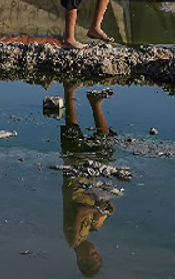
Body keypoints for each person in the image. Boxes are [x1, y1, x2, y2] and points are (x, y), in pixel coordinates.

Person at [60, 83, 118, 277]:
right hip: (88, 181)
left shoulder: (73, 239)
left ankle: (69, 90)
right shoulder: (87, 233)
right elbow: (93, 211)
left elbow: (80, 210)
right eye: (97, 252)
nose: (95, 249)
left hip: (74, 176)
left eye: (92, 253)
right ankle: (95, 104)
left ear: (81, 259)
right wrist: (105, 209)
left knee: (72, 135)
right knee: (106, 147)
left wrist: (97, 210)